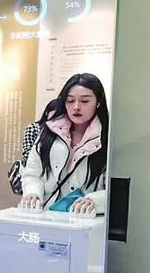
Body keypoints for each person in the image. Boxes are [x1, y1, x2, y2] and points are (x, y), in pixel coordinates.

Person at [19, 73, 109, 215]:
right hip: (47, 216)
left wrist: (94, 200)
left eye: (84, 101)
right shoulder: (49, 132)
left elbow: (115, 188)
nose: (76, 107)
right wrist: (32, 193)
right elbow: (32, 173)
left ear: (98, 102)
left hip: (86, 219)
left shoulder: (108, 138)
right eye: (70, 101)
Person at [21, 99, 57, 166]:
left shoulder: (63, 132)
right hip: (35, 168)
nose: (57, 119)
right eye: (54, 115)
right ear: (47, 113)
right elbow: (27, 155)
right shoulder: (33, 128)